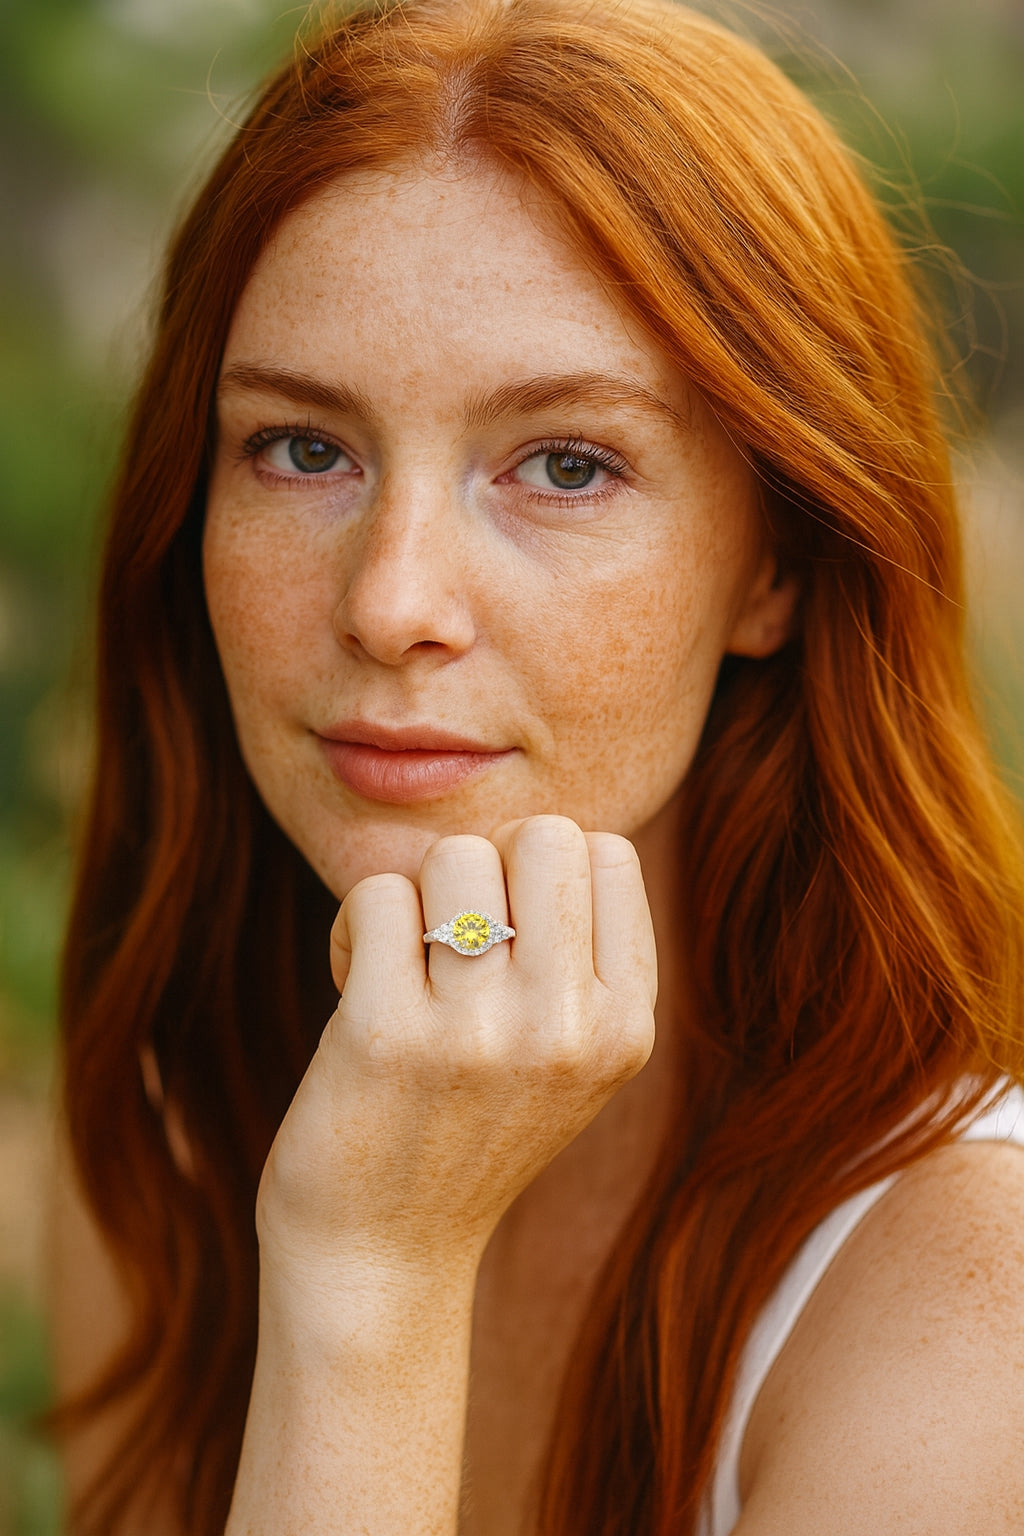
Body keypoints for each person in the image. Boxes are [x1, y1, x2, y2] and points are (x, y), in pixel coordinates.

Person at [49, 0, 1024, 1532]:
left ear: (776, 560)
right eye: (304, 449)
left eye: (566, 464)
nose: (391, 602)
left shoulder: (974, 1303)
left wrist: (377, 1274)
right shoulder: (174, 1150)